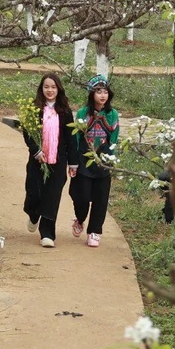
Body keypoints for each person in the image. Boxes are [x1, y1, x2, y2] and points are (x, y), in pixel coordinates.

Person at [20, 73, 78, 247]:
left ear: (58, 89)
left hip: (58, 161)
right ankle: (33, 214)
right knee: (34, 192)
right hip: (37, 159)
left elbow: (70, 139)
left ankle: (47, 234)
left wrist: (73, 162)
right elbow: (28, 132)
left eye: (53, 87)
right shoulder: (34, 107)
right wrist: (36, 151)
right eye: (46, 87)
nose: (50, 90)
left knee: (52, 197)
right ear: (41, 89)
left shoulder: (65, 111)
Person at [68, 76, 119, 247]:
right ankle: (80, 219)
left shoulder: (112, 114)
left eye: (105, 92)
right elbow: (76, 137)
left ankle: (95, 231)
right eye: (98, 92)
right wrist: (73, 161)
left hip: (103, 160)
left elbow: (114, 138)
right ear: (91, 94)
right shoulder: (83, 113)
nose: (102, 95)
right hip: (84, 159)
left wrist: (110, 159)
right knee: (80, 195)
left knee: (101, 197)